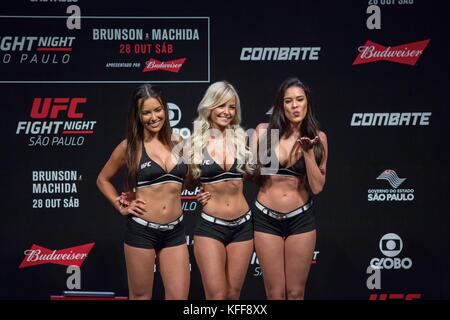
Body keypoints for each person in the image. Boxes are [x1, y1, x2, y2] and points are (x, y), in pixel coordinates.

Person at [96, 84, 190, 300]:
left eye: (157, 110)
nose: (153, 117)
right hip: (142, 231)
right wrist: (120, 205)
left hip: (175, 232)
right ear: (137, 116)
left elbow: (185, 182)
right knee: (141, 296)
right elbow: (102, 180)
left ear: (165, 109)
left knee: (179, 297)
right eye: (146, 112)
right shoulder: (129, 147)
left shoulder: (179, 143)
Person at [251, 77, 328, 300]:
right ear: (280, 106)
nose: (295, 106)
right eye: (288, 101)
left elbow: (317, 187)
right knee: (275, 294)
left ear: (307, 103)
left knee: (295, 293)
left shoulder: (318, 138)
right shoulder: (264, 131)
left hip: (300, 220)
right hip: (266, 219)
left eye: (299, 100)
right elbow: (250, 174)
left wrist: (307, 153)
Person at [190, 81, 254, 300]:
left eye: (232, 107)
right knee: (216, 295)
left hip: (243, 226)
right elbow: (184, 183)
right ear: (210, 107)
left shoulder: (243, 139)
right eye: (221, 106)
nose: (226, 112)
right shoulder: (195, 143)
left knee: (233, 295)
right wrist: (196, 193)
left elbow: (256, 177)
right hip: (211, 227)